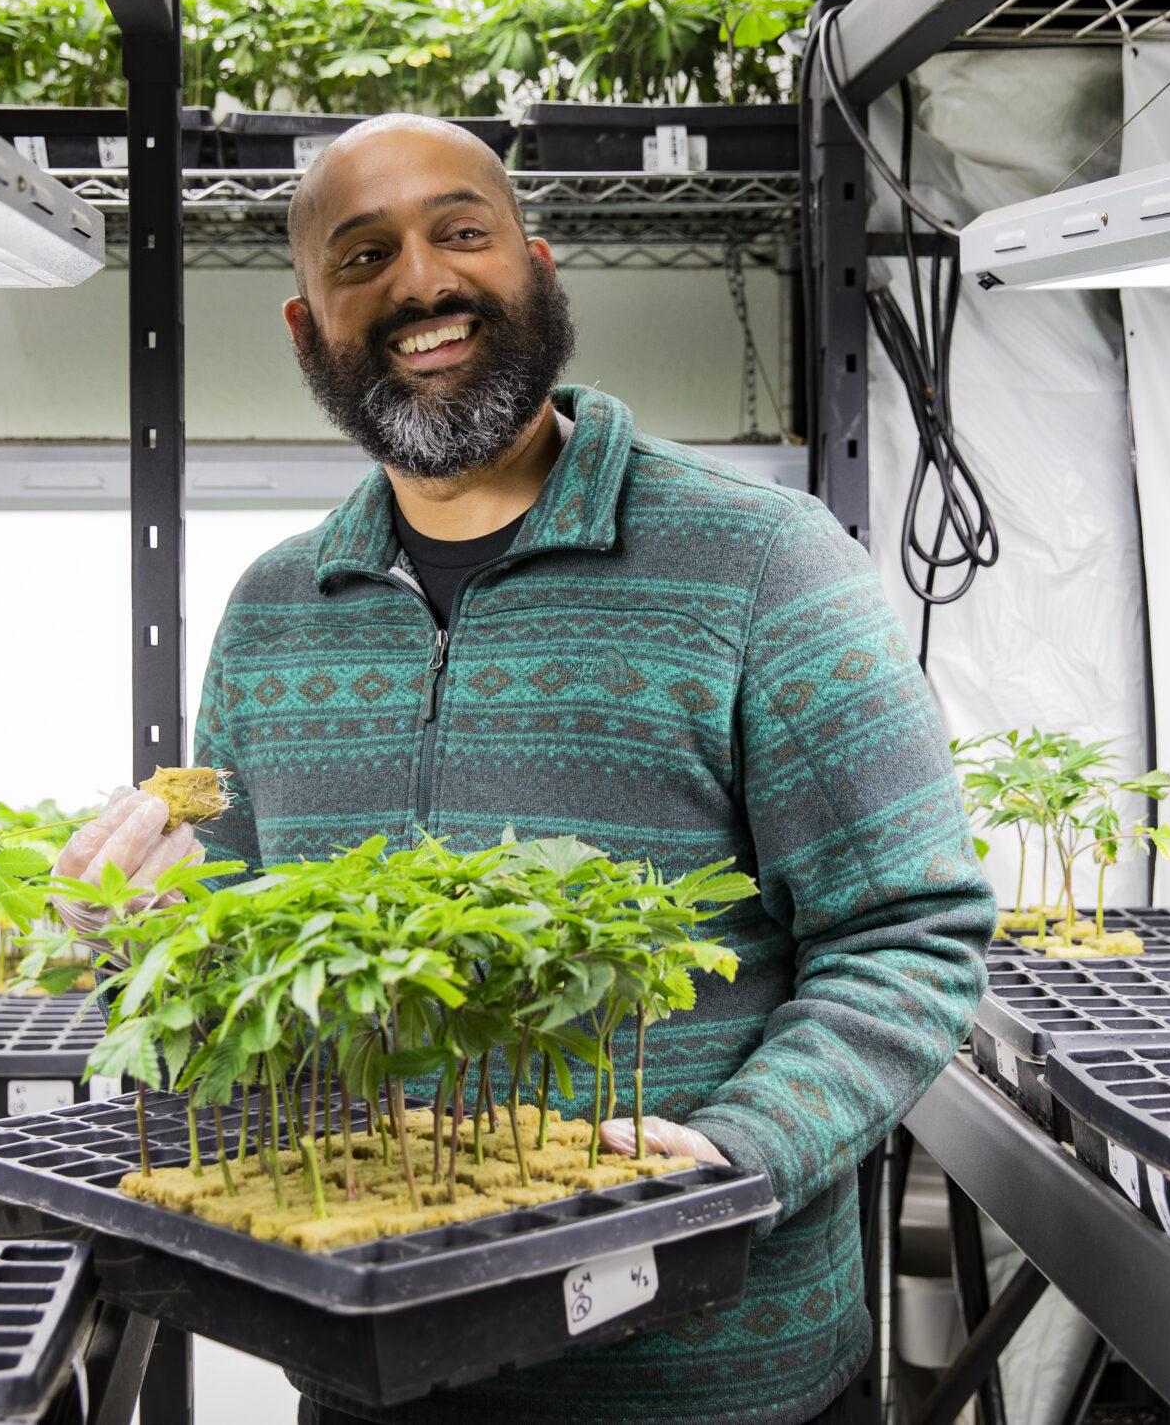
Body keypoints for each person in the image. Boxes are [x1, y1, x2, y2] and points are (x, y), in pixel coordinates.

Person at [54, 113, 990, 1425]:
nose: (421, 283)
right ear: (306, 323)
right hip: (376, 1371)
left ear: (537, 267)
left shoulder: (760, 564)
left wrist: (739, 1152)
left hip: (711, 1382)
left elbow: (911, 932)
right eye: (362, 255)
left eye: (460, 232)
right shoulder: (276, 611)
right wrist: (142, 938)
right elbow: (249, 987)